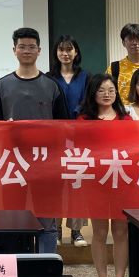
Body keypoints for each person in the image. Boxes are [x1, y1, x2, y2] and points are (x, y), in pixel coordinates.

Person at [0, 27, 68, 254]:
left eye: (31, 47)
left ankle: (47, 266)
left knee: (47, 221)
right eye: (22, 46)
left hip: (45, 162)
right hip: (13, 161)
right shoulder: (3, 84)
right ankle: (16, 265)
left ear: (39, 50)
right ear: (14, 50)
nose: (27, 51)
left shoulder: (52, 85)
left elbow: (64, 126)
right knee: (12, 218)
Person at [78, 73, 130, 277]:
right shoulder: (84, 120)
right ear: (92, 93)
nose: (107, 94)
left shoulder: (125, 119)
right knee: (99, 232)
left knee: (121, 232)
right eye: (101, 90)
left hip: (121, 181)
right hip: (96, 183)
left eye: (111, 90)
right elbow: (78, 149)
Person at [47, 35, 90, 247]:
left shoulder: (86, 76)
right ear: (56, 53)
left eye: (69, 49)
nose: (65, 53)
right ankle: (54, 230)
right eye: (61, 49)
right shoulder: (48, 78)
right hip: (54, 138)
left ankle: (76, 231)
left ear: (76, 52)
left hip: (80, 136)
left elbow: (90, 103)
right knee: (55, 184)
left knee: (77, 183)